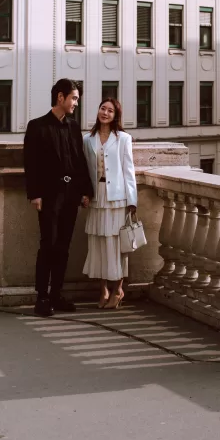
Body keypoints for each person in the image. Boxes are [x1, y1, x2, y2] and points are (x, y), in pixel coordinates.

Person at [24, 79, 93, 317]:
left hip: (71, 195)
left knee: (63, 247)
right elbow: (30, 164)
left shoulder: (74, 127)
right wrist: (35, 195)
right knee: (48, 246)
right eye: (74, 98)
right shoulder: (37, 126)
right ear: (60, 97)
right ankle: (41, 297)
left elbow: (79, 161)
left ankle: (57, 294)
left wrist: (85, 191)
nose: (76, 103)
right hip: (49, 196)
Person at [82, 98, 137, 309]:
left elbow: (128, 170)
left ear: (116, 116)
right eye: (103, 108)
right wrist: (84, 193)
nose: (105, 113)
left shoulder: (123, 138)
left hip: (118, 198)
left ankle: (118, 289)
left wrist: (132, 200)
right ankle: (103, 289)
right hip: (97, 196)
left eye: (110, 111)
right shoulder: (88, 139)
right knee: (98, 244)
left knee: (117, 245)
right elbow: (85, 171)